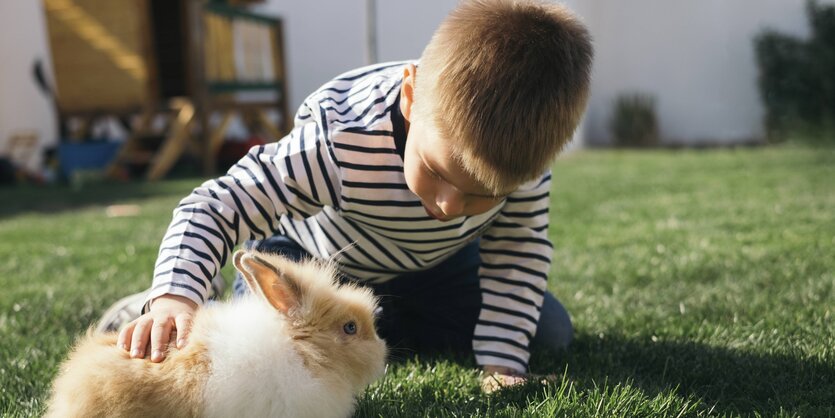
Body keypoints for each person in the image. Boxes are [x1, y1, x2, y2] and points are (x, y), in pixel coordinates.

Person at [101, 0, 593, 391]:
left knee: (548, 331)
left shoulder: (524, 164)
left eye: (480, 197)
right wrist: (176, 296)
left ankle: (384, 320)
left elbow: (516, 257)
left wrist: (501, 362)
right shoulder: (340, 138)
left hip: (433, 267)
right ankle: (172, 302)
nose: (447, 207)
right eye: (437, 172)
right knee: (262, 352)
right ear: (410, 95)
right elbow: (218, 204)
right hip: (312, 268)